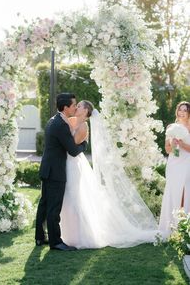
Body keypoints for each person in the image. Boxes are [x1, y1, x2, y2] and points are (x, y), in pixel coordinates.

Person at [60, 101, 158, 249]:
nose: (76, 107)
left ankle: (80, 235)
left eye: (79, 106)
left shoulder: (84, 127)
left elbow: (71, 146)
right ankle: (66, 233)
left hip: (74, 163)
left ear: (86, 111)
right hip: (65, 162)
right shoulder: (71, 120)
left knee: (75, 197)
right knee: (67, 198)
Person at [35, 93, 88, 251]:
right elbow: (72, 151)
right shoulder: (61, 125)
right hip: (55, 171)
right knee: (53, 208)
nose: (75, 107)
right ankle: (56, 242)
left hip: (48, 168)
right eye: (73, 105)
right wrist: (84, 144)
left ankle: (40, 237)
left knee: (44, 205)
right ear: (65, 108)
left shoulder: (54, 120)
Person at [159, 101, 190, 237]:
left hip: (187, 162)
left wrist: (182, 143)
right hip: (173, 163)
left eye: (185, 110)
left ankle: (183, 224)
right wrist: (173, 144)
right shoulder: (171, 127)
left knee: (185, 191)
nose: (182, 113)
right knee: (173, 190)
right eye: (180, 110)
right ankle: (170, 225)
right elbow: (167, 150)